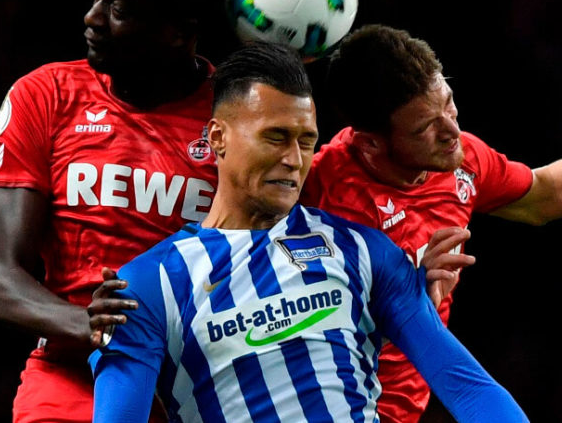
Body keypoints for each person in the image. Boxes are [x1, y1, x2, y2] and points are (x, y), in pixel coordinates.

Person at [298, 23, 562, 422]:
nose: (452, 132)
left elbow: (547, 194)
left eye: (448, 103)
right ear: (371, 143)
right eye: (426, 127)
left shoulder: (461, 160)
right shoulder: (317, 194)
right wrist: (404, 298)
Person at [89, 41, 530, 423]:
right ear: (218, 137)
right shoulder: (146, 286)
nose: (294, 159)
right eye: (275, 137)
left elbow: (469, 389)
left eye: (306, 141)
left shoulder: (366, 252)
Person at [0, 0, 221, 423]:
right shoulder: (45, 96)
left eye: (120, 8)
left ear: (178, 33)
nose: (92, 18)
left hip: (200, 389)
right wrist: (91, 325)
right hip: (69, 381)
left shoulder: (236, 119)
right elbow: (0, 280)